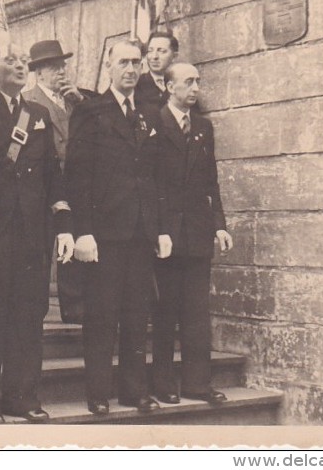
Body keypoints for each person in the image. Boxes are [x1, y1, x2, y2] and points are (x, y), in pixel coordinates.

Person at [0, 45, 74, 424]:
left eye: (22, 62)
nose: (18, 66)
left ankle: (23, 396)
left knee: (29, 317)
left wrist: (63, 226)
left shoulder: (38, 113)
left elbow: (53, 176)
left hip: (32, 232)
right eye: (9, 61)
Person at [66, 39, 168, 415]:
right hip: (104, 234)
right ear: (108, 66)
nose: (130, 69)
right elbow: (78, 177)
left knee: (136, 315)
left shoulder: (147, 113)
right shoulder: (92, 111)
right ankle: (98, 392)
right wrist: (84, 231)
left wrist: (158, 229)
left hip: (140, 233)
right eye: (123, 62)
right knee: (102, 316)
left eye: (136, 63)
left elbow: (153, 178)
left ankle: (133, 391)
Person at [151, 62, 233, 406]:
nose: (196, 87)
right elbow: (149, 182)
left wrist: (219, 224)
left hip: (198, 232)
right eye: (189, 82)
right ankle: (163, 383)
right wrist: (157, 230)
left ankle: (198, 384)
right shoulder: (153, 122)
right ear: (170, 86)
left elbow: (210, 181)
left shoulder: (203, 127)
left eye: (198, 81)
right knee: (165, 310)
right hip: (167, 233)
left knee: (197, 312)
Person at [24, 39, 95, 325]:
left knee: (72, 238)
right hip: (43, 182)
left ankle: (74, 305)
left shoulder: (75, 100)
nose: (61, 73)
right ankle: (36, 305)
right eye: (54, 68)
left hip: (75, 181)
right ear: (38, 73)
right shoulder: (28, 101)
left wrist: (80, 102)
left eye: (62, 66)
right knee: (41, 244)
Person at [134, 31, 179, 118]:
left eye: (161, 51)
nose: (154, 56)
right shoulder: (136, 85)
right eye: (150, 51)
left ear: (174, 56)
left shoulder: (181, 85)